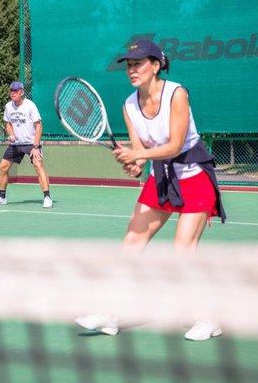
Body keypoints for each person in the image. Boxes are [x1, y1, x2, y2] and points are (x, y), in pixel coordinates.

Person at [74, 40, 226, 341]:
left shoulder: (176, 94)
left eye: (138, 64)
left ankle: (209, 318)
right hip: (161, 178)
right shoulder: (129, 105)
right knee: (132, 241)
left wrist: (139, 155)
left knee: (182, 250)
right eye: (129, 65)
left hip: (194, 176)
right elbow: (140, 152)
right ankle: (111, 314)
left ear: (156, 66)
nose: (132, 70)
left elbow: (174, 145)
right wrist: (134, 164)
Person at [0, 81, 53, 208]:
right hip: (16, 144)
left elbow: (39, 126)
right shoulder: (8, 106)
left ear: (22, 92)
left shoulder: (30, 106)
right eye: (11, 90)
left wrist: (36, 146)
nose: (13, 93)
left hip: (31, 143)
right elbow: (8, 123)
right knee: (3, 167)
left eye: (15, 91)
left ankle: (47, 197)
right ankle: (1, 197)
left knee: (38, 165)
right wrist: (11, 134)